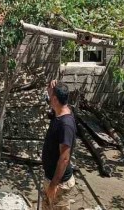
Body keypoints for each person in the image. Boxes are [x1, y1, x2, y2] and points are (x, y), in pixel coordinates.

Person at [41, 80, 77, 210]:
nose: (48, 98)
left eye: (51, 96)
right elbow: (50, 103)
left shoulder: (66, 124)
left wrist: (53, 185)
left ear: (55, 99)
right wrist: (50, 89)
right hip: (50, 178)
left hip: (59, 184)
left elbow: (64, 158)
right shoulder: (58, 113)